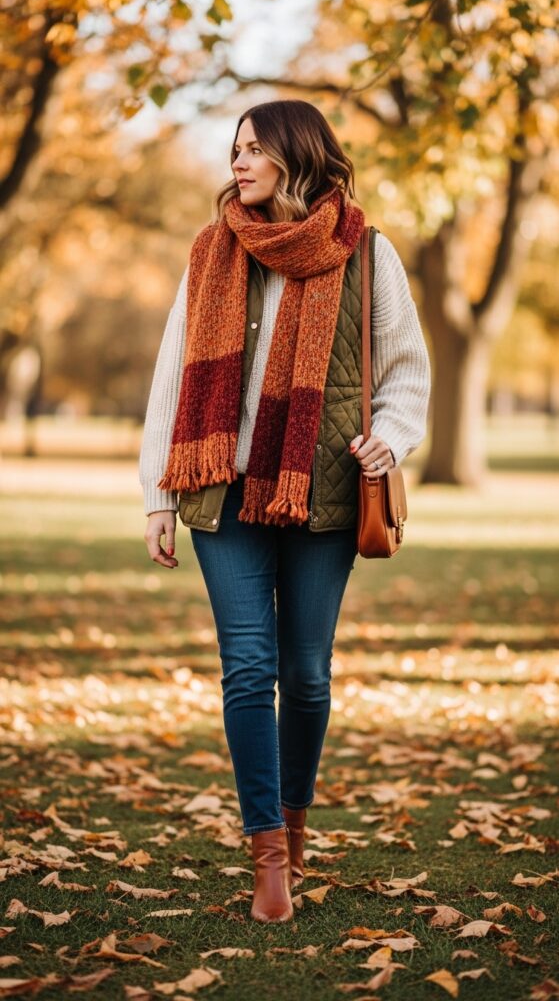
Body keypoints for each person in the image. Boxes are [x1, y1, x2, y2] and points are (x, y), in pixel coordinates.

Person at [139, 99, 431, 924]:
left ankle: (296, 828)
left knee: (304, 675)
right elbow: (171, 378)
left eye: (254, 149)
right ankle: (267, 854)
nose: (237, 163)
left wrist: (393, 439)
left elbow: (406, 371)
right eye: (234, 150)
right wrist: (160, 497)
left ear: (298, 158)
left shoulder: (368, 255)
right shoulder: (211, 254)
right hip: (223, 490)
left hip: (324, 495)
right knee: (247, 667)